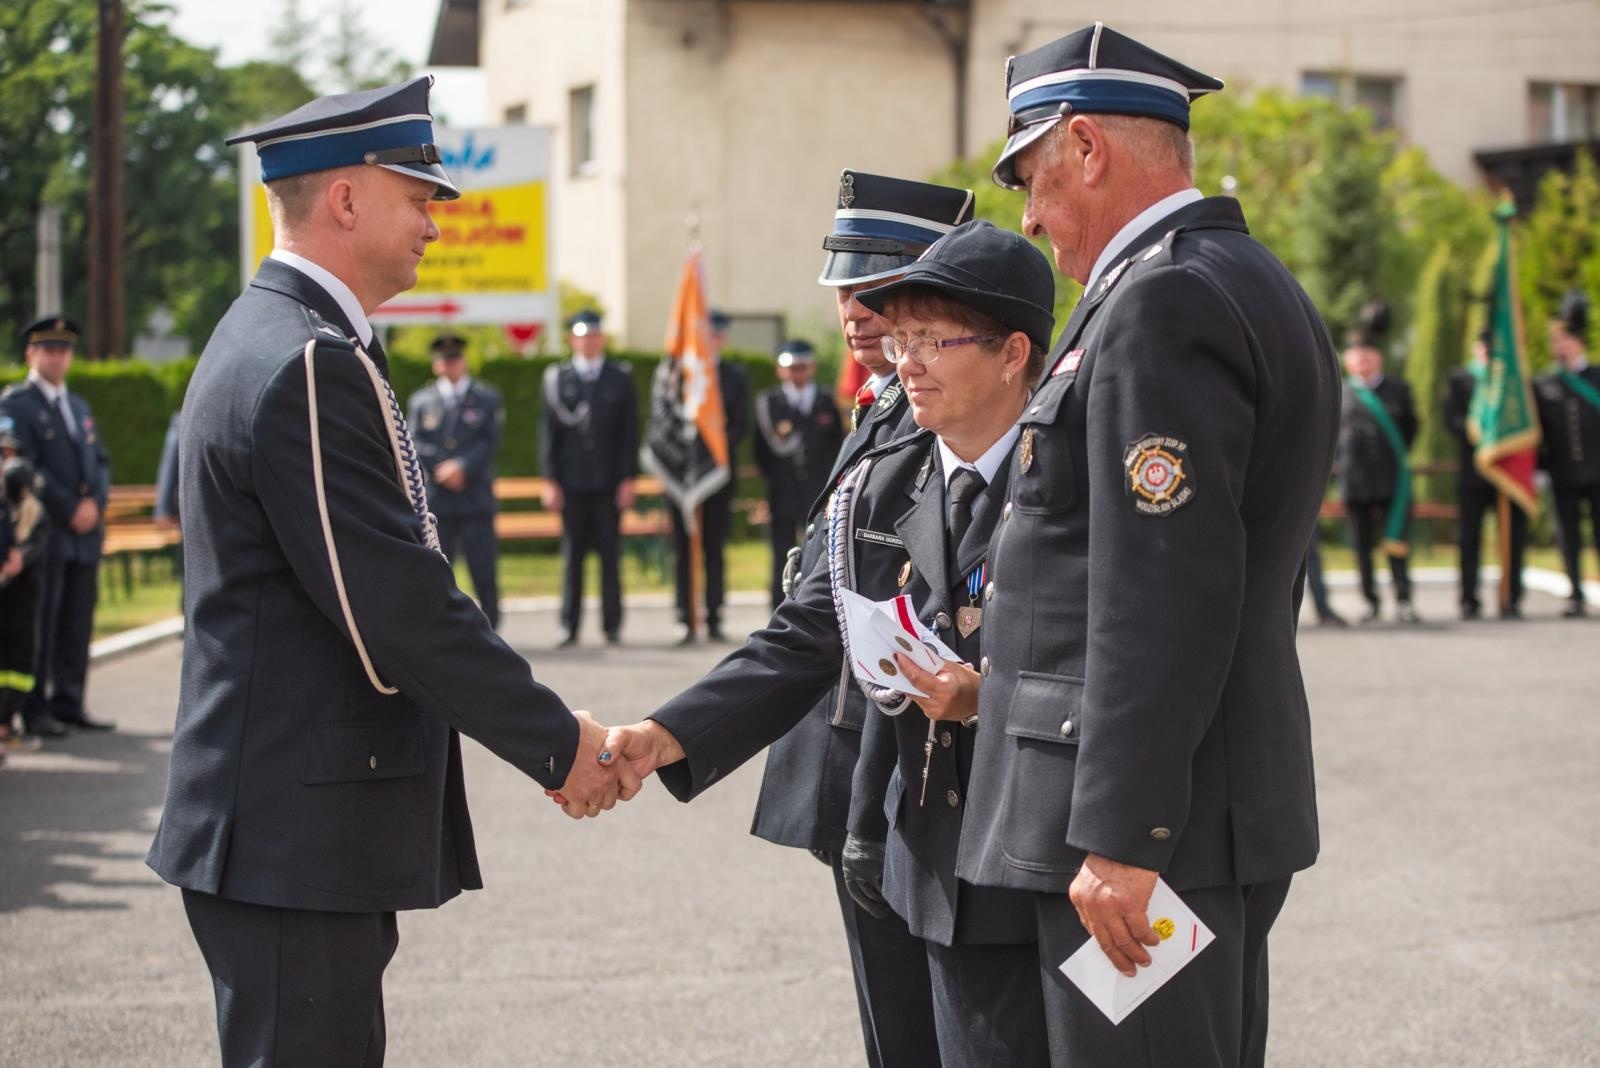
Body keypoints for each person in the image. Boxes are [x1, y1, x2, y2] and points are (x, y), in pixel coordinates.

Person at [144, 78, 631, 1067]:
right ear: (348, 200)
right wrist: (557, 744)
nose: (433, 225)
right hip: (291, 839)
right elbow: (395, 607)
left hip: (289, 836)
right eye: (418, 198)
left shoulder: (284, 338)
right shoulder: (308, 362)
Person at [914, 24, 1331, 1065]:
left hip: (1150, 829)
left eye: (1032, 178)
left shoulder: (1162, 297)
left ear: (1087, 147)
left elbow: (1164, 586)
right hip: (1190, 807)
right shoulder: (1236, 275)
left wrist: (1123, 835)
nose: (1031, 216)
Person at [604, 221, 1058, 1066]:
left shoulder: (1080, 477)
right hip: (930, 867)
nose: (905, 357)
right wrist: (662, 735)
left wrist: (984, 698)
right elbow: (809, 631)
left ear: (1012, 353)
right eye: (904, 336)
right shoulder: (890, 478)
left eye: (932, 338)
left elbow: (1134, 660)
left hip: (1052, 865)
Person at [746, 170, 974, 1068]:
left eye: (879, 286)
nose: (855, 309)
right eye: (844, 284)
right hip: (850, 758)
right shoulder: (881, 405)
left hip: (901, 774)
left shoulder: (946, 413)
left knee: (922, 1032)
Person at [0, 316, 113, 737]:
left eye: (64, 349)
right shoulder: (15, 405)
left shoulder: (79, 407)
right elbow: (23, 468)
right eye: (49, 349)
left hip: (84, 533)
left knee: (77, 620)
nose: (57, 356)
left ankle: (70, 700)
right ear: (31, 353)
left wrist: (95, 505)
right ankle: (35, 708)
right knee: (40, 624)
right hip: (48, 531)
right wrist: (68, 508)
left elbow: (100, 463)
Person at [540, 309, 637, 646]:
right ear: (572, 340)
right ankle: (569, 625)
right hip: (572, 483)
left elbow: (628, 433)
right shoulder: (557, 378)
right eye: (583, 336)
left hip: (609, 484)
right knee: (573, 560)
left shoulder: (619, 377)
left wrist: (628, 479)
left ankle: (612, 626)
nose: (589, 342)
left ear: (602, 339)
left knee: (611, 559)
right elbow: (548, 434)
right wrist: (549, 480)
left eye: (594, 335)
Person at [660, 309, 748, 642]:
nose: (711, 340)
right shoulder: (679, 375)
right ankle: (685, 615)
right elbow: (667, 423)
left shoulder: (733, 376)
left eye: (716, 334)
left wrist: (713, 451)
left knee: (714, 547)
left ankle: (713, 615)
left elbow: (739, 424)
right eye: (706, 334)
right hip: (682, 476)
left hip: (717, 476)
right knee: (682, 548)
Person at [408, 333, 505, 628]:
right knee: (438, 570)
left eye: (455, 358)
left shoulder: (486, 398)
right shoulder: (422, 401)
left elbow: (490, 441)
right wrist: (443, 468)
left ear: (463, 361)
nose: (450, 364)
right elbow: (412, 441)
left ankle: (492, 628)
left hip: (474, 496)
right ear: (436, 365)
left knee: (483, 569)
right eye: (444, 360)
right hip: (438, 500)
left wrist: (463, 466)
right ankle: (439, 629)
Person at [1337, 301, 1420, 623]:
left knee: (1397, 540)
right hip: (1355, 480)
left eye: (1367, 355)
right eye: (1356, 356)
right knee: (1361, 547)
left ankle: (1404, 599)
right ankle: (1370, 600)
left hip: (1391, 480)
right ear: (1348, 360)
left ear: (1379, 357)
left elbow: (1411, 428)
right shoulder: (1341, 393)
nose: (1362, 361)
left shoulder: (1398, 390)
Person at [753, 338, 843, 607]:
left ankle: (813, 604)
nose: (797, 373)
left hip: (818, 491)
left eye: (802, 367)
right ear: (781, 370)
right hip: (783, 490)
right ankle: (779, 605)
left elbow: (836, 446)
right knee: (781, 550)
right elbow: (761, 452)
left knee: (818, 550)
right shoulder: (770, 402)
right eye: (791, 367)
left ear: (812, 367)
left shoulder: (825, 401)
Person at [1446, 329, 1528, 619]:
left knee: (1513, 537)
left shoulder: (1513, 380)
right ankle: (1469, 598)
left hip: (1506, 472)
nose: (1487, 352)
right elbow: (1451, 420)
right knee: (1469, 538)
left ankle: (1512, 597)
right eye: (1483, 346)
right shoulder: (1461, 379)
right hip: (1474, 470)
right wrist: (1483, 433)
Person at [1534, 290, 1600, 617]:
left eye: (1565, 340)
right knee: (1568, 535)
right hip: (1562, 472)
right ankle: (1575, 593)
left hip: (1598, 470)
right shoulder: (1544, 384)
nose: (1559, 346)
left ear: (1579, 342)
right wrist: (1539, 468)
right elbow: (1537, 433)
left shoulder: (1598, 378)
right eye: (1555, 341)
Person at [0, 452, 51, 753]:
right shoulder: (33, 515)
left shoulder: (11, 513)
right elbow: (28, 553)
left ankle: (5, 720)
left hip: (15, 599)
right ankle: (5, 721)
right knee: (20, 662)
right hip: (24, 604)